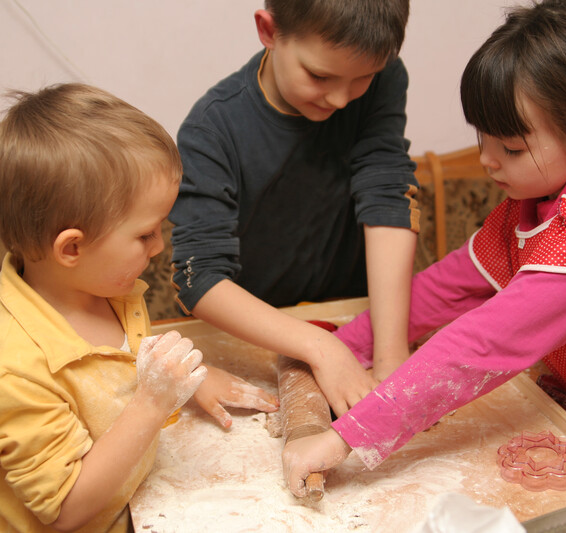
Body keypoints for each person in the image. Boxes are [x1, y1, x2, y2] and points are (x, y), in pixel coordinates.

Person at [282, 0, 566, 497]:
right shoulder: (539, 200)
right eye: (483, 138)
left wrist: (343, 438)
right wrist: (333, 349)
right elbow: (441, 290)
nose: (487, 161)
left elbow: (480, 345)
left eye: (512, 149)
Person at [0, 83, 278, 532]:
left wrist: (185, 383)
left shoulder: (103, 288)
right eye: (145, 235)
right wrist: (152, 403)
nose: (160, 245)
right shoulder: (11, 376)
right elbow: (66, 511)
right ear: (72, 248)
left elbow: (118, 373)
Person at [169, 0, 418, 416]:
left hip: (351, 313)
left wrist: (392, 357)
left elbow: (387, 195)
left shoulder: (386, 78)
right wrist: (320, 346)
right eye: (320, 76)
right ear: (269, 30)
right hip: (257, 331)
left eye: (363, 78)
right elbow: (200, 278)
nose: (341, 98)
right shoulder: (211, 128)